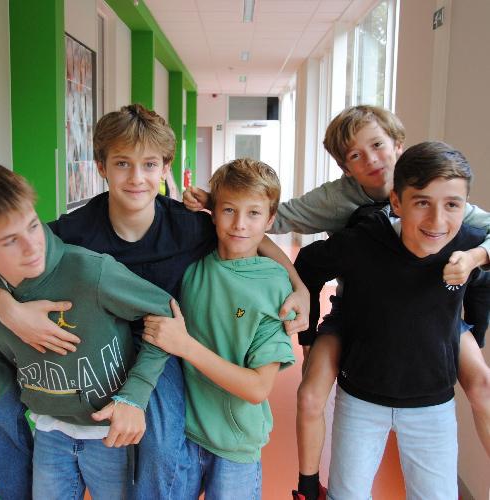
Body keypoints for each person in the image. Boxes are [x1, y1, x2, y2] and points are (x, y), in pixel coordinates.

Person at [0, 105, 309, 500]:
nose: (137, 178)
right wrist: (6, 307)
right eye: (122, 164)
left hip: (159, 347)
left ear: (165, 168)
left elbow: (247, 235)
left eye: (149, 164)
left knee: (160, 443)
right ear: (102, 167)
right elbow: (4, 248)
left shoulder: (188, 226)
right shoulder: (76, 229)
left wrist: (298, 284)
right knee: (0, 399)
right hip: (99, 345)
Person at [184, 105, 490, 499]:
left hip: (432, 311)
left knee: (480, 382)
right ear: (347, 169)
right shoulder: (343, 205)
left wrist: (476, 285)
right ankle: (308, 486)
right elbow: (273, 217)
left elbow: (481, 271)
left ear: (398, 144)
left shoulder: (440, 190)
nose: (372, 160)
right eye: (356, 156)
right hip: (356, 308)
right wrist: (218, 203)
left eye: (377, 145)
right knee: (311, 392)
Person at [294, 142, 490, 499]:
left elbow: (482, 283)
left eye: (452, 205)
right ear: (396, 203)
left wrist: (476, 333)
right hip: (361, 401)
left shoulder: (468, 246)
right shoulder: (361, 242)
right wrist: (307, 333)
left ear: (465, 206)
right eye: (422, 203)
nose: (437, 221)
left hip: (432, 406)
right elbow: (308, 264)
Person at [0, 162, 176, 499]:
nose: (32, 247)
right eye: (9, 241)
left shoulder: (90, 272)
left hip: (110, 433)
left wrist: (135, 394)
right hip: (50, 432)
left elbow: (165, 312)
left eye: (33, 226)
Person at [143, 158, 296, 498]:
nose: (240, 224)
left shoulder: (274, 288)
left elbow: (258, 388)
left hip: (234, 445)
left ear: (270, 219)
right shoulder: (192, 264)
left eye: (254, 214)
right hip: (182, 435)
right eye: (229, 210)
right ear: (213, 212)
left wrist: (185, 346)